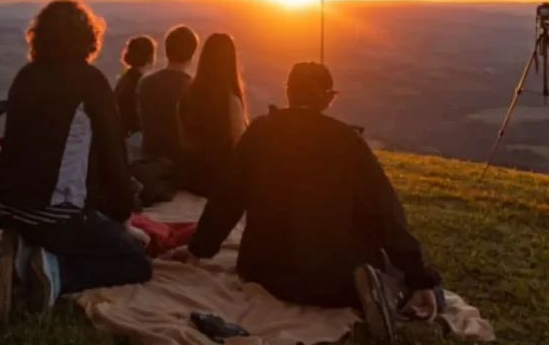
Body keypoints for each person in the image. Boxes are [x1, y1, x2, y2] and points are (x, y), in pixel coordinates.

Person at [168, 63, 441, 344]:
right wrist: (420, 277)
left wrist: (198, 249)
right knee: (411, 274)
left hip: (262, 271)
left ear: (288, 92)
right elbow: (386, 215)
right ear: (328, 98)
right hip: (334, 280)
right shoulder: (348, 142)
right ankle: (390, 292)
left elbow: (227, 198)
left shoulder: (260, 131)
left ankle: (385, 289)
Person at [0, 0, 151, 311]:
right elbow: (113, 156)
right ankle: (57, 274)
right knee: (137, 261)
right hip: (56, 216)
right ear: (88, 37)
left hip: (8, 207)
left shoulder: (25, 77)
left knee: (96, 234)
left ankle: (31, 252)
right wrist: (123, 218)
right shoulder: (90, 82)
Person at [177, 33, 248, 198]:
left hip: (191, 175)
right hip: (220, 178)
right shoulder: (230, 99)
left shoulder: (187, 95)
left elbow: (182, 138)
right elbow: (241, 146)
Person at [138, 25, 199, 163]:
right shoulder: (193, 89)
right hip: (179, 164)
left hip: (149, 158)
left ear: (166, 51)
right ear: (192, 54)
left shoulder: (145, 83)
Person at [114, 35, 157, 157]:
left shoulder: (125, 79)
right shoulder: (142, 83)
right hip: (133, 139)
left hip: (122, 138)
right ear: (150, 57)